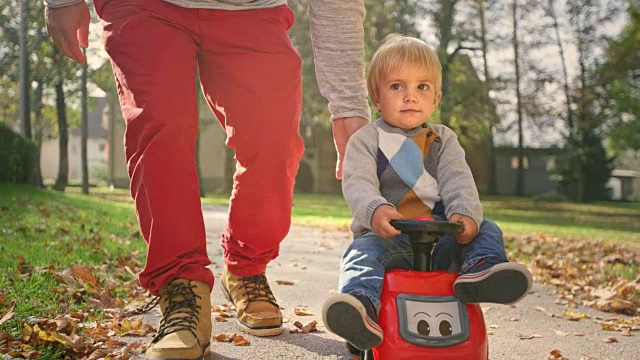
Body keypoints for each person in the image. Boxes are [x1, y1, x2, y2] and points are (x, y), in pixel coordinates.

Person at [44, 0, 370, 358]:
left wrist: (348, 106)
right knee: (160, 130)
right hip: (142, 7)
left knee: (273, 137)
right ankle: (181, 286)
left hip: (252, 9)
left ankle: (246, 266)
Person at [321, 34, 533, 353]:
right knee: (361, 255)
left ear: (435, 99)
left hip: (442, 237)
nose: (410, 96)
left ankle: (481, 271)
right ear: (376, 98)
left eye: (422, 87)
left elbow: (458, 180)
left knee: (488, 228)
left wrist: (464, 215)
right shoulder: (367, 140)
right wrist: (375, 210)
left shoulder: (441, 140)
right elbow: (357, 182)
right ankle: (360, 310)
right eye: (397, 86)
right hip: (387, 237)